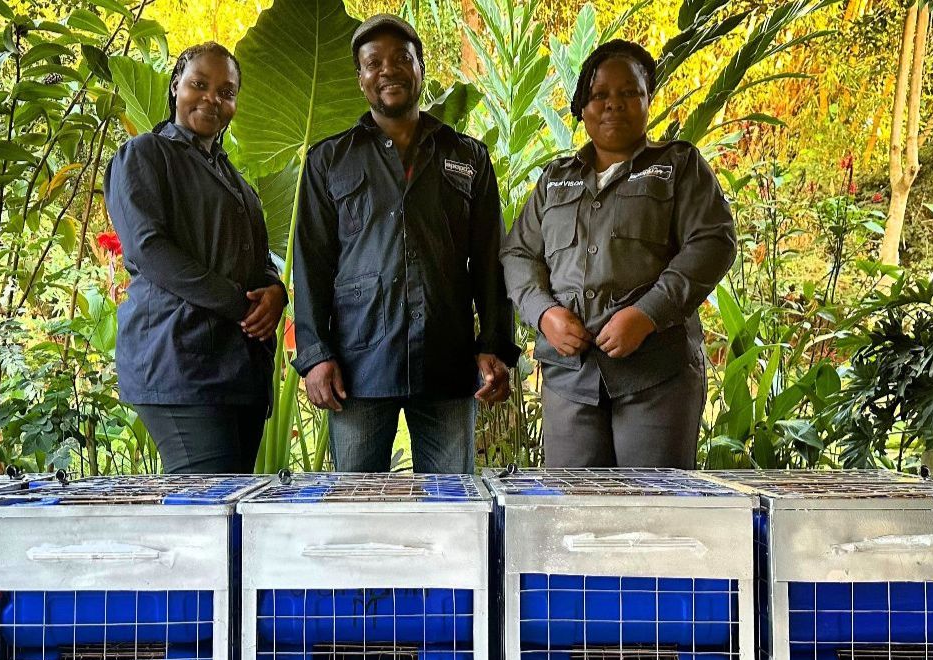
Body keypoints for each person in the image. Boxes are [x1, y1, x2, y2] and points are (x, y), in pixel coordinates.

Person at [291, 14, 520, 474]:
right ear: (360, 79)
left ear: (420, 67)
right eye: (373, 63)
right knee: (357, 504)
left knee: (454, 508)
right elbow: (311, 263)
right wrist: (316, 356)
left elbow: (491, 259)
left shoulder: (466, 156)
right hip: (358, 367)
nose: (388, 70)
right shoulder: (329, 160)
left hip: (447, 361)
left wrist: (494, 344)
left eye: (401, 58)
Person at [501, 39, 736, 468]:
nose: (614, 104)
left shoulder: (677, 166)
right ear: (582, 108)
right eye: (600, 95)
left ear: (648, 100)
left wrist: (647, 314)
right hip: (569, 378)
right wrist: (545, 314)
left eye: (630, 92)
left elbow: (712, 243)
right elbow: (518, 253)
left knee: (651, 512)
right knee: (575, 513)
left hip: (656, 376)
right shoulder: (556, 180)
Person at [103, 42, 287, 473]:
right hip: (180, 365)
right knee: (205, 517)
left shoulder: (237, 181)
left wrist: (276, 292)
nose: (212, 99)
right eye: (199, 85)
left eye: (226, 91)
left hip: (238, 372)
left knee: (230, 512)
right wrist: (241, 304)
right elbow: (149, 249)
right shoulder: (145, 155)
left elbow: (259, 258)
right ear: (175, 87)